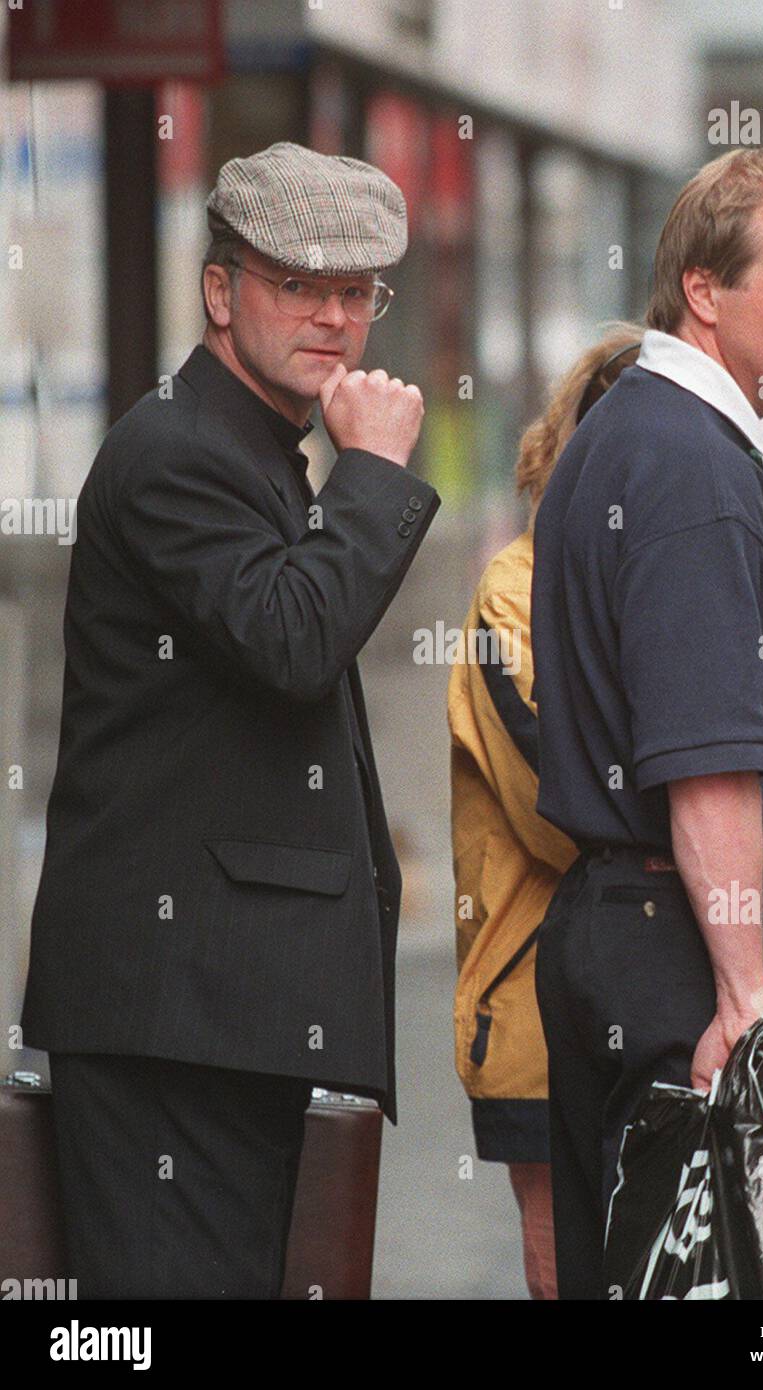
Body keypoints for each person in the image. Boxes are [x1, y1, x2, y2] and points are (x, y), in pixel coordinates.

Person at [20, 143, 440, 1299]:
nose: (332, 319)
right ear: (220, 292)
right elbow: (294, 641)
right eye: (296, 285)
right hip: (176, 1019)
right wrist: (374, 473)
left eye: (354, 293)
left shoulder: (246, 450)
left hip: (213, 1015)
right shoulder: (178, 454)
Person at [449, 324, 763, 1300]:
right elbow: (563, 793)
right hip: (549, 994)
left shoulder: (728, 538)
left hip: (714, 932)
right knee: (597, 1267)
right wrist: (733, 820)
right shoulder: (515, 589)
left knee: (739, 1265)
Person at [529, 148, 763, 1299]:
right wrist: (744, 992)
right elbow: (704, 762)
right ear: (703, 293)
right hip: (680, 946)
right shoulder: (684, 458)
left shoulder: (630, 435)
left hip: (628, 925)